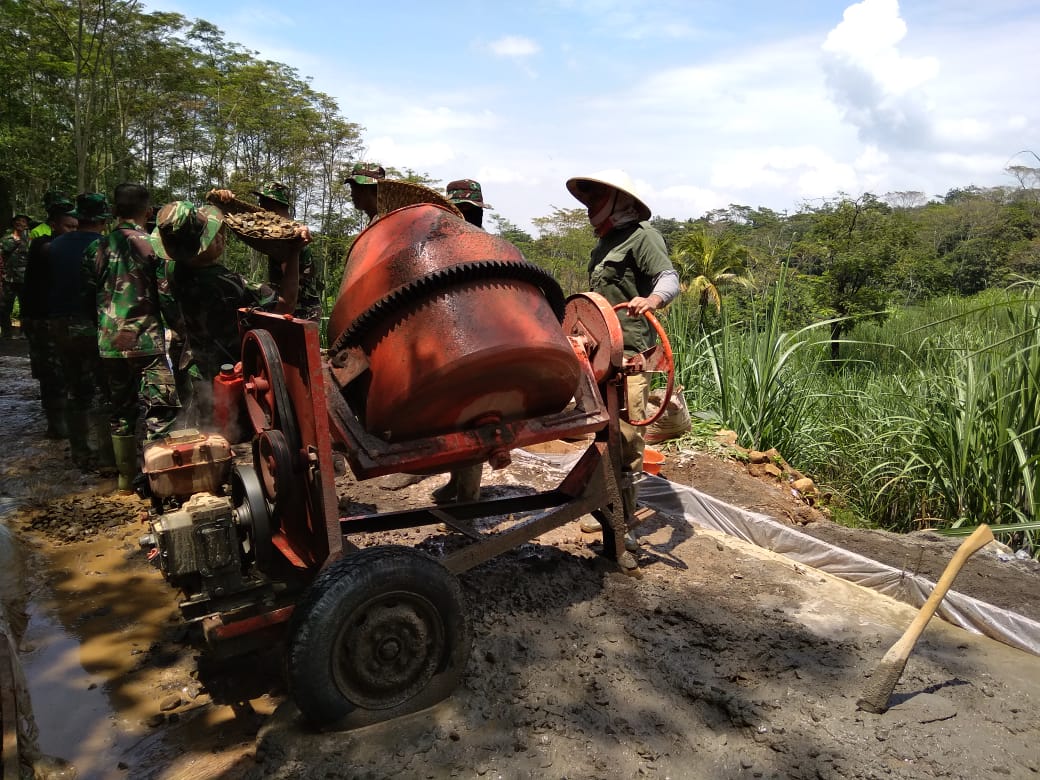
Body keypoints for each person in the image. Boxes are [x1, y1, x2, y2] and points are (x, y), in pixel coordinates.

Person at [566, 170, 680, 543]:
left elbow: (669, 278)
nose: (590, 209)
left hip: (631, 357)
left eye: (597, 200)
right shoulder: (604, 246)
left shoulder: (642, 237)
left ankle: (623, 520)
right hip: (602, 357)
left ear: (620, 202)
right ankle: (603, 506)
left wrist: (652, 300)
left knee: (628, 439)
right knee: (604, 433)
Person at [155, 200, 306, 426]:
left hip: (196, 367)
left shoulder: (172, 269)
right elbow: (285, 304)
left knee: (206, 426)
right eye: (215, 234)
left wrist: (224, 204)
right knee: (233, 430)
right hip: (232, 374)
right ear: (204, 245)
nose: (221, 236)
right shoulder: (227, 284)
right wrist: (294, 253)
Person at [89, 183, 180, 491]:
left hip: (109, 343)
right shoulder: (153, 246)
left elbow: (88, 293)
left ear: (114, 211)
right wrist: (178, 326)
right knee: (162, 408)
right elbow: (165, 296)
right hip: (145, 341)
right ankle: (155, 481)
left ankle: (125, 480)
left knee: (121, 410)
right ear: (148, 211)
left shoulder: (97, 248)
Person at [429, 178, 494, 504]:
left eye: (470, 211)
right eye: (462, 211)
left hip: (480, 342)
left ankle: (469, 497)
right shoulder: (439, 244)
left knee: (474, 421)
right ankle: (456, 483)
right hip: (450, 340)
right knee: (452, 419)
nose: (467, 217)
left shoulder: (488, 246)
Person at [47, 193, 113, 470]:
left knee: (76, 390)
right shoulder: (105, 247)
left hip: (60, 325)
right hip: (95, 324)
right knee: (106, 391)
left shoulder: (52, 246)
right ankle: (108, 456)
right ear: (103, 219)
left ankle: (80, 453)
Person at [21, 207, 78, 439]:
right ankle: (56, 423)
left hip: (61, 317)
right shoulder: (42, 244)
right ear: (54, 225)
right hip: (40, 318)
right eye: (68, 226)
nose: (73, 231)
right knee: (50, 370)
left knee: (67, 368)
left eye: (76, 227)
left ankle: (67, 418)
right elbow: (50, 252)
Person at [0, 214, 31, 337]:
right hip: (9, 279)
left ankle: (24, 332)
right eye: (18, 221)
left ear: (27, 225)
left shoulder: (30, 240)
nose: (20, 223)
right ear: (13, 224)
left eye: (23, 221)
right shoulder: (6, 239)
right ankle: (6, 332)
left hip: (25, 279)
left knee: (26, 307)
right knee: (5, 307)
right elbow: (4, 252)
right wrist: (16, 241)